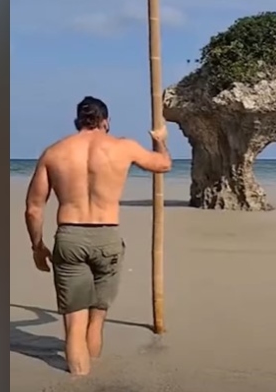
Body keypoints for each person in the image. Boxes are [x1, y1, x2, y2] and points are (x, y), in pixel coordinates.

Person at [23, 96, 171, 376]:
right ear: (106, 122)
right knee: (96, 319)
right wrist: (160, 139)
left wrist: (37, 246)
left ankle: (79, 379)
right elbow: (163, 165)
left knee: (74, 326)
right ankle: (93, 375)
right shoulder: (123, 147)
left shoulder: (54, 152)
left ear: (78, 121)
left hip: (70, 238)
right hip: (108, 239)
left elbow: (33, 209)